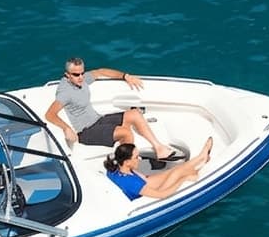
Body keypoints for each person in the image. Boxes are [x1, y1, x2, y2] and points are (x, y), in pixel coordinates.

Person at [46, 57, 182, 161]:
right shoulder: (65, 92)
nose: (81, 77)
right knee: (126, 133)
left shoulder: (81, 80)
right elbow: (50, 115)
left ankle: (159, 149)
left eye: (82, 73)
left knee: (134, 114)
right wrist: (66, 128)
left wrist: (125, 76)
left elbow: (100, 72)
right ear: (67, 75)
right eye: (76, 75)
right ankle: (126, 169)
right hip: (86, 132)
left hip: (98, 120)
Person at [104, 139, 213, 201]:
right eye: (136, 157)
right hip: (148, 194)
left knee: (174, 170)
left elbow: (136, 178)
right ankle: (200, 166)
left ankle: (201, 158)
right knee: (178, 174)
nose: (140, 159)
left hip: (144, 185)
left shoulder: (115, 168)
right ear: (127, 161)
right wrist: (183, 180)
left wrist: (137, 173)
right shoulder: (132, 183)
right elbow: (162, 195)